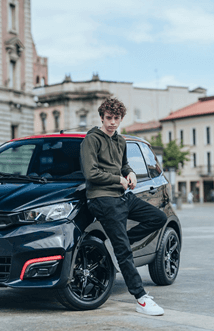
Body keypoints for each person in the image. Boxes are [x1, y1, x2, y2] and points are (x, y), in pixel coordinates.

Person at [80, 96, 167, 316]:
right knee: (124, 253)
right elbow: (90, 174)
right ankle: (141, 298)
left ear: (121, 119)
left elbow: (124, 164)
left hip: (122, 197)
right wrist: (116, 178)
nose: (112, 122)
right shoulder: (92, 140)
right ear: (101, 117)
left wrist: (129, 173)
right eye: (108, 118)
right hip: (102, 199)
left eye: (116, 118)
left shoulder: (120, 140)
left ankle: (121, 244)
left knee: (158, 218)